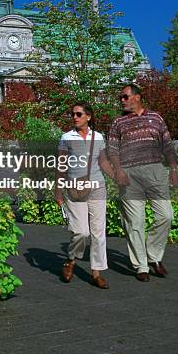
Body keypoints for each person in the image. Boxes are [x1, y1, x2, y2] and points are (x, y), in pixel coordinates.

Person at [107, 84, 178, 282]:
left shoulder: (156, 118)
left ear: (137, 97)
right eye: (120, 97)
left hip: (155, 171)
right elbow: (112, 150)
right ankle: (141, 265)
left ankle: (154, 256)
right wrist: (118, 171)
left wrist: (173, 169)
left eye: (125, 96)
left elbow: (168, 145)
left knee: (166, 215)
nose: (121, 100)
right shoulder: (118, 122)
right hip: (129, 175)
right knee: (135, 222)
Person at [55, 103, 115, 289]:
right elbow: (61, 165)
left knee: (98, 232)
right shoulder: (66, 137)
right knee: (81, 231)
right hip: (75, 188)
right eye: (72, 114)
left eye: (78, 114)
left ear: (88, 116)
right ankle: (71, 259)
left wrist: (117, 177)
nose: (74, 117)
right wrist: (58, 190)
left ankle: (96, 273)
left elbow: (103, 161)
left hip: (97, 187)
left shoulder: (98, 137)